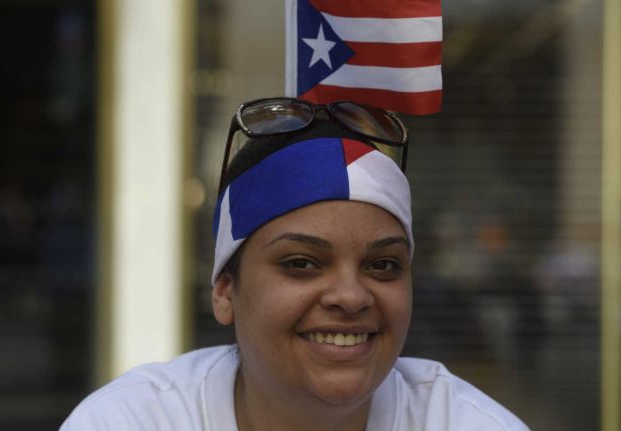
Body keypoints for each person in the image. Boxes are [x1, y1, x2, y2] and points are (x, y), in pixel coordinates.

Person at [61, 98, 530, 430]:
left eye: (383, 266)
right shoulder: (135, 421)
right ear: (225, 289)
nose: (350, 296)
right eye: (302, 263)